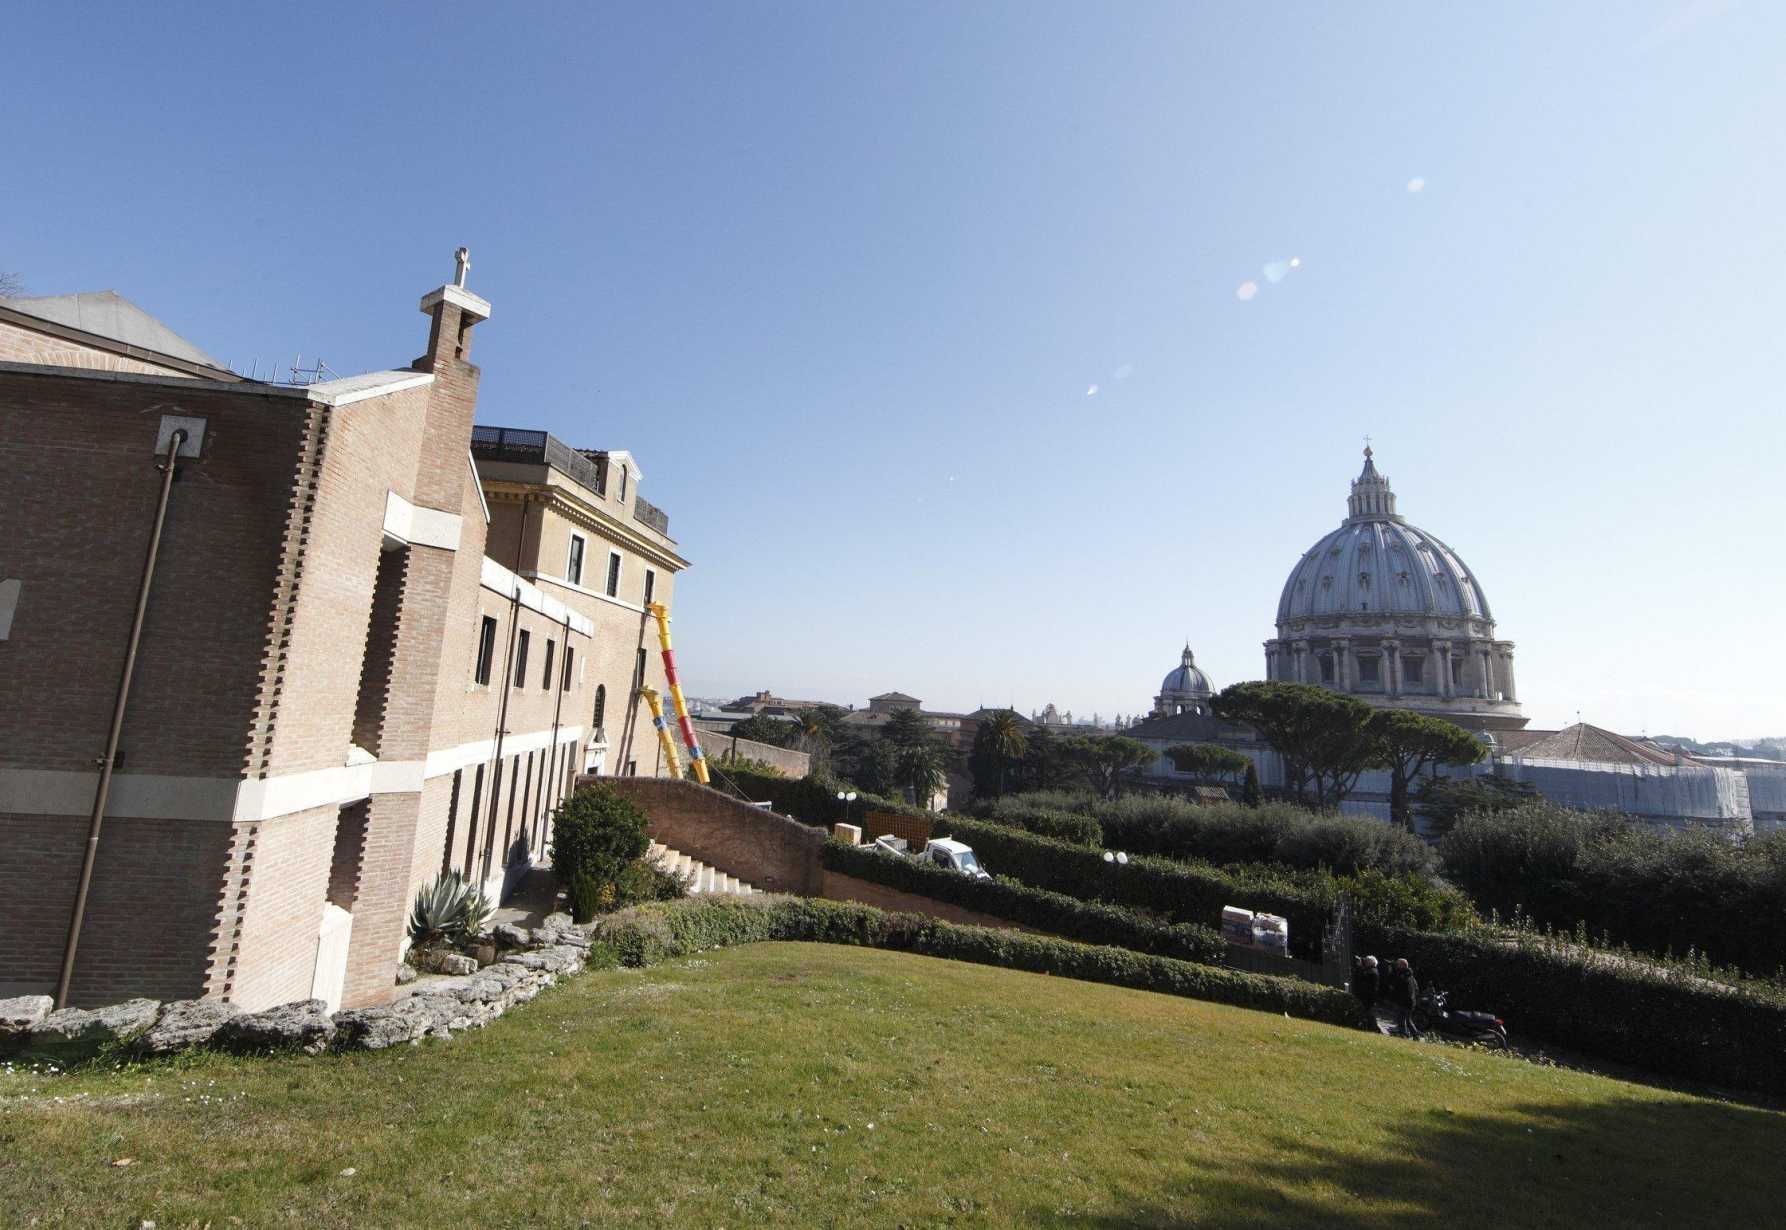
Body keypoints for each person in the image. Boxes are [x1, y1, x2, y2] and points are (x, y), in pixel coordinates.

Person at [1386, 957, 1421, 1038]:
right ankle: (1415, 1035)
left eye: (1398, 964)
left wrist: (1392, 971)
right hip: (1410, 1001)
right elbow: (1416, 989)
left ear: (1402, 965)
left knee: (1401, 1019)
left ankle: (1403, 1035)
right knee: (1408, 1020)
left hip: (1405, 1001)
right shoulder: (1409, 975)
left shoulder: (1404, 975)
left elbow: (1396, 983)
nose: (1396, 966)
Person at [1351, 955, 1380, 1021]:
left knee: (1367, 1013)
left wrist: (1359, 967)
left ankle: (1370, 1026)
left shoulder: (1373, 971)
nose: (1365, 962)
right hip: (1365, 995)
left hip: (1367, 996)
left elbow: (1361, 977)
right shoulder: (1368, 970)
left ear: (1371, 963)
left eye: (1367, 961)